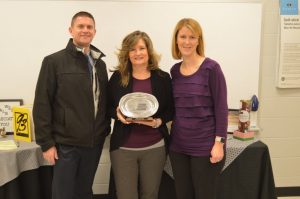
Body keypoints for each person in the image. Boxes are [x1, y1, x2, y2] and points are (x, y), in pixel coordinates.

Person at [33, 11, 111, 199]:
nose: (85, 30)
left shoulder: (100, 64)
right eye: (80, 26)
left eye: (89, 27)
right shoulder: (54, 62)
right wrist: (46, 143)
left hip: (94, 143)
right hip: (66, 145)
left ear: (94, 31)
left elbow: (103, 100)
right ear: (71, 30)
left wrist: (104, 129)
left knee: (84, 191)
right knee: (63, 193)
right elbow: (42, 104)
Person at [108, 30, 174, 199]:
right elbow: (105, 107)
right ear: (126, 53)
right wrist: (116, 114)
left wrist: (159, 121)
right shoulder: (117, 77)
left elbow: (172, 109)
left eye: (141, 48)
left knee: (150, 194)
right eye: (132, 49)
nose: (138, 53)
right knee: (125, 196)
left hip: (155, 148)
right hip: (123, 149)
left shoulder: (163, 77)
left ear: (148, 50)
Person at [169, 18, 228, 199]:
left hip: (205, 146)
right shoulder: (175, 71)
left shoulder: (211, 68)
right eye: (183, 37)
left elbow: (221, 107)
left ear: (198, 40)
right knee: (183, 195)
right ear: (176, 40)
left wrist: (219, 143)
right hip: (178, 146)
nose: (187, 42)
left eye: (192, 37)